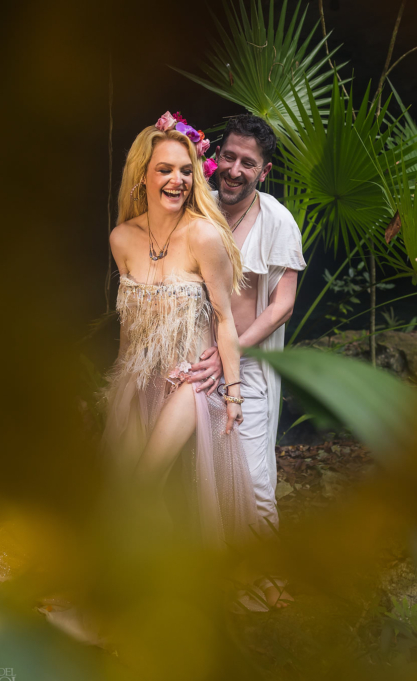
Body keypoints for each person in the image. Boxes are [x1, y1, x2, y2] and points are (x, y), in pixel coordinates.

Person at [101, 111, 289, 608]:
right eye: (165, 169)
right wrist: (116, 387)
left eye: (185, 170)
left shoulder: (212, 233)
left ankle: (245, 579)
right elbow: (129, 325)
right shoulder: (123, 238)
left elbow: (233, 318)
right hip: (141, 377)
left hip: (195, 377)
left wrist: (230, 389)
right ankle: (151, 583)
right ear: (143, 173)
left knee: (168, 479)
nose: (177, 179)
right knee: (130, 487)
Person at [189, 115, 306, 529]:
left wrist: (230, 352)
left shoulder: (277, 220)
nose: (235, 171)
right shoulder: (193, 204)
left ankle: (267, 584)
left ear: (264, 171)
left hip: (247, 362)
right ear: (216, 155)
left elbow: (283, 306)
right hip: (193, 360)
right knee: (196, 477)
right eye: (229, 157)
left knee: (255, 484)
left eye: (248, 163)